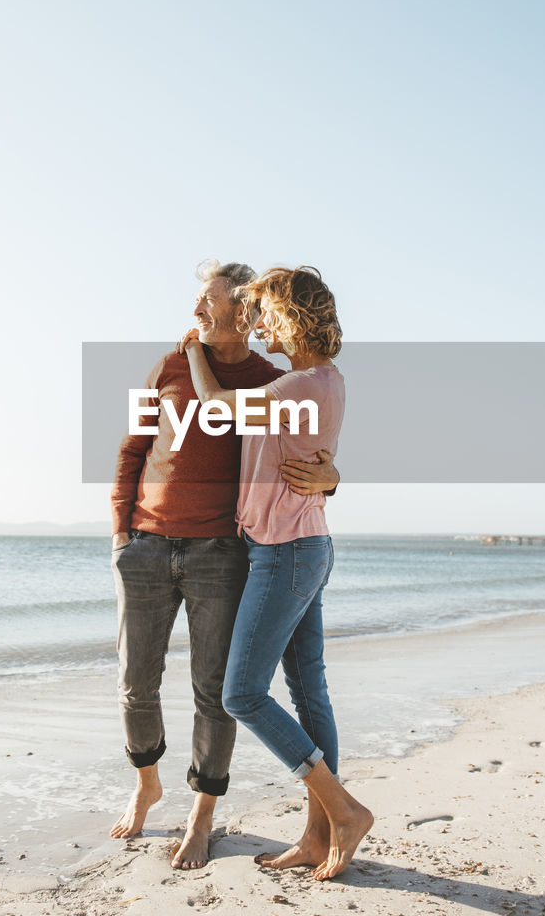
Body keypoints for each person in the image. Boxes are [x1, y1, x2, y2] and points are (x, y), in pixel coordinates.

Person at [110, 260, 340, 870]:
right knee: (136, 684)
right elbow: (131, 449)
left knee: (218, 692)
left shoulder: (273, 377)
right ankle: (146, 784)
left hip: (223, 553)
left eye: (207, 300)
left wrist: (334, 477)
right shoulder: (163, 366)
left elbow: (307, 445)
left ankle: (202, 815)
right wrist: (119, 535)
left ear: (243, 310)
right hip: (147, 544)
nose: (194, 312)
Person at [180, 266, 372, 881]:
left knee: (241, 693)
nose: (258, 324)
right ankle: (319, 834)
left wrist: (192, 354)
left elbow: (214, 408)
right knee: (309, 691)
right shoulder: (326, 382)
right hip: (304, 544)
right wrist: (334, 477)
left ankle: (342, 812)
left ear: (288, 317)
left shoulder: (297, 387)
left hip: (285, 552)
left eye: (265, 313)